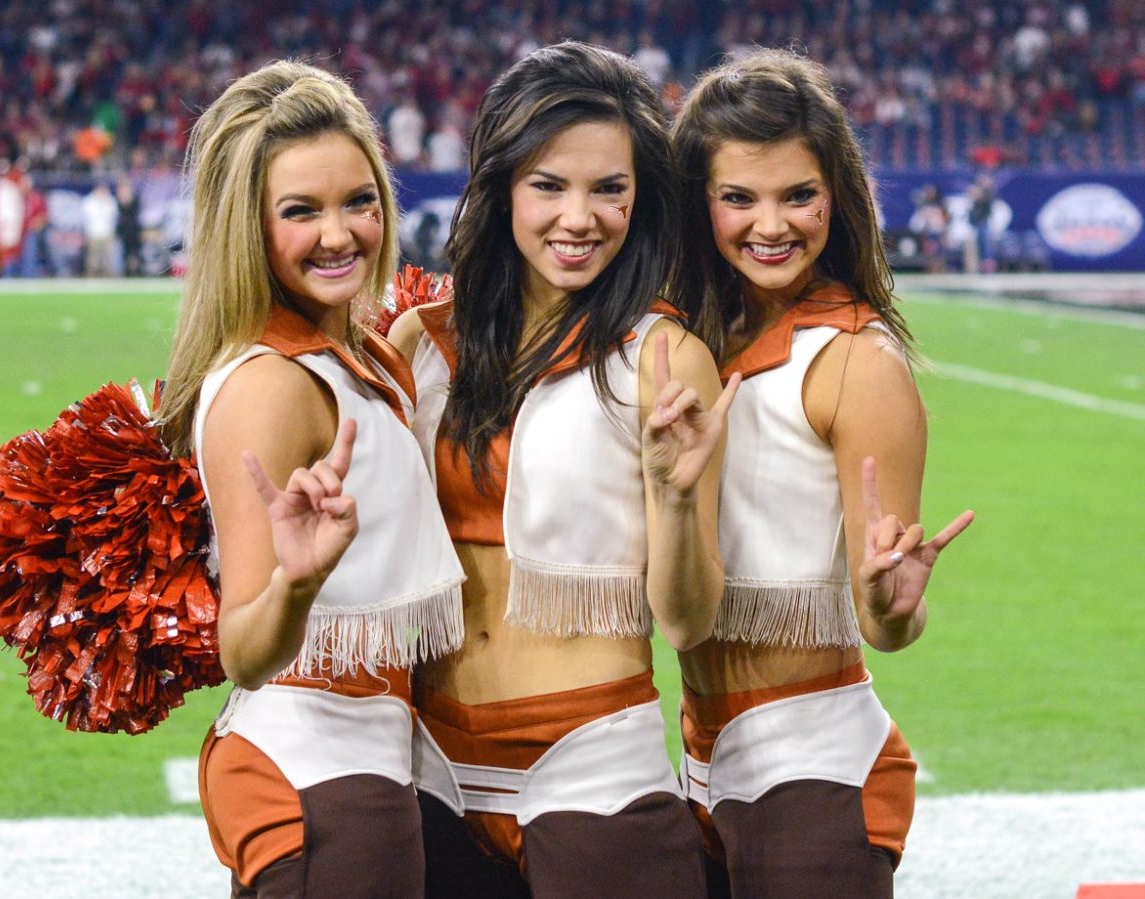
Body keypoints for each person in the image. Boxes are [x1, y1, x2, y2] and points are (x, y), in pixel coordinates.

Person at [388, 41, 738, 898]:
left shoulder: (664, 360)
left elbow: (689, 624)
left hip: (592, 764)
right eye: (549, 184)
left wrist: (677, 496)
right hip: (423, 763)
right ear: (500, 184)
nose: (578, 217)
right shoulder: (418, 346)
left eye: (609, 189)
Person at [155, 60, 464, 898]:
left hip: (363, 761)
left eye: (359, 201)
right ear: (246, 227)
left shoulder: (355, 350)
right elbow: (245, 649)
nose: (341, 234)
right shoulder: (271, 385)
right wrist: (296, 580)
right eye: (301, 211)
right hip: (319, 780)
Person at [671, 50, 974, 898]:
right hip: (697, 761)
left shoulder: (857, 361)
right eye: (739, 198)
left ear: (837, 197)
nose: (772, 224)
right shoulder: (685, 339)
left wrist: (888, 602)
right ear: (698, 203)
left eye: (798, 195)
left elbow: (888, 627)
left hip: (817, 768)